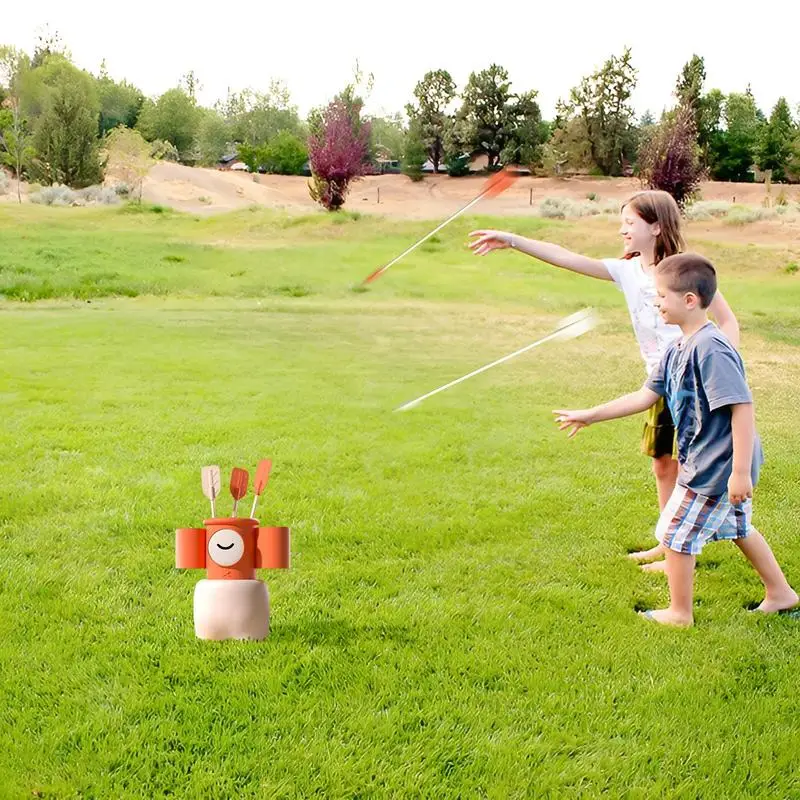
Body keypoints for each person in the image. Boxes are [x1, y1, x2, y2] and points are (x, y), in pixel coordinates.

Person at [469, 190, 739, 571]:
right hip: (659, 383)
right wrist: (513, 240)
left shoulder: (681, 273)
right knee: (663, 464)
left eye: (630, 223)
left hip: (692, 385)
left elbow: (727, 322)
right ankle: (669, 544)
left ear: (656, 227)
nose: (622, 230)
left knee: (697, 469)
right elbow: (565, 256)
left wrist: (722, 366)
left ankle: (684, 548)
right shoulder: (627, 271)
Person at [553, 253, 797, 626]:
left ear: (689, 301)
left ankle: (679, 613)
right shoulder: (677, 348)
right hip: (706, 458)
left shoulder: (711, 348)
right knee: (738, 528)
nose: (655, 304)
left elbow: (742, 408)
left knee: (674, 531)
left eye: (662, 297)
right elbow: (644, 396)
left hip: (718, 464)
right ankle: (780, 593)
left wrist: (741, 472)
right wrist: (591, 415)